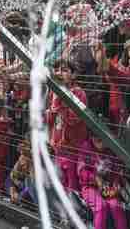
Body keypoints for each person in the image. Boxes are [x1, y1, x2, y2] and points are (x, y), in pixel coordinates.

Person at [46, 59, 88, 192]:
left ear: (73, 74)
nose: (59, 73)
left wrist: (58, 102)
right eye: (57, 70)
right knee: (60, 181)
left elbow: (73, 120)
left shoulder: (78, 93)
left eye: (64, 70)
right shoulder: (53, 92)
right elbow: (50, 119)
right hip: (58, 145)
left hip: (72, 146)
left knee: (72, 183)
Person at [77, 133, 127, 229]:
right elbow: (82, 172)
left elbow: (117, 170)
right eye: (98, 141)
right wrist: (95, 178)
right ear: (92, 138)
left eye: (104, 141)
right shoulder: (86, 147)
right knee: (100, 207)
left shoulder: (110, 148)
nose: (102, 144)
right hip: (90, 187)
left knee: (116, 206)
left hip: (108, 186)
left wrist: (116, 184)